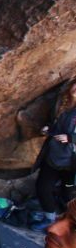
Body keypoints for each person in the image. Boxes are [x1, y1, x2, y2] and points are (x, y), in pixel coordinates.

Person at [31, 78, 76, 231]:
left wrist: (71, 138)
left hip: (71, 164)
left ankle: (67, 222)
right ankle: (49, 218)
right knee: (42, 187)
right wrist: (48, 129)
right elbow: (56, 124)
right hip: (54, 157)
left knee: (68, 193)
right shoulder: (63, 104)